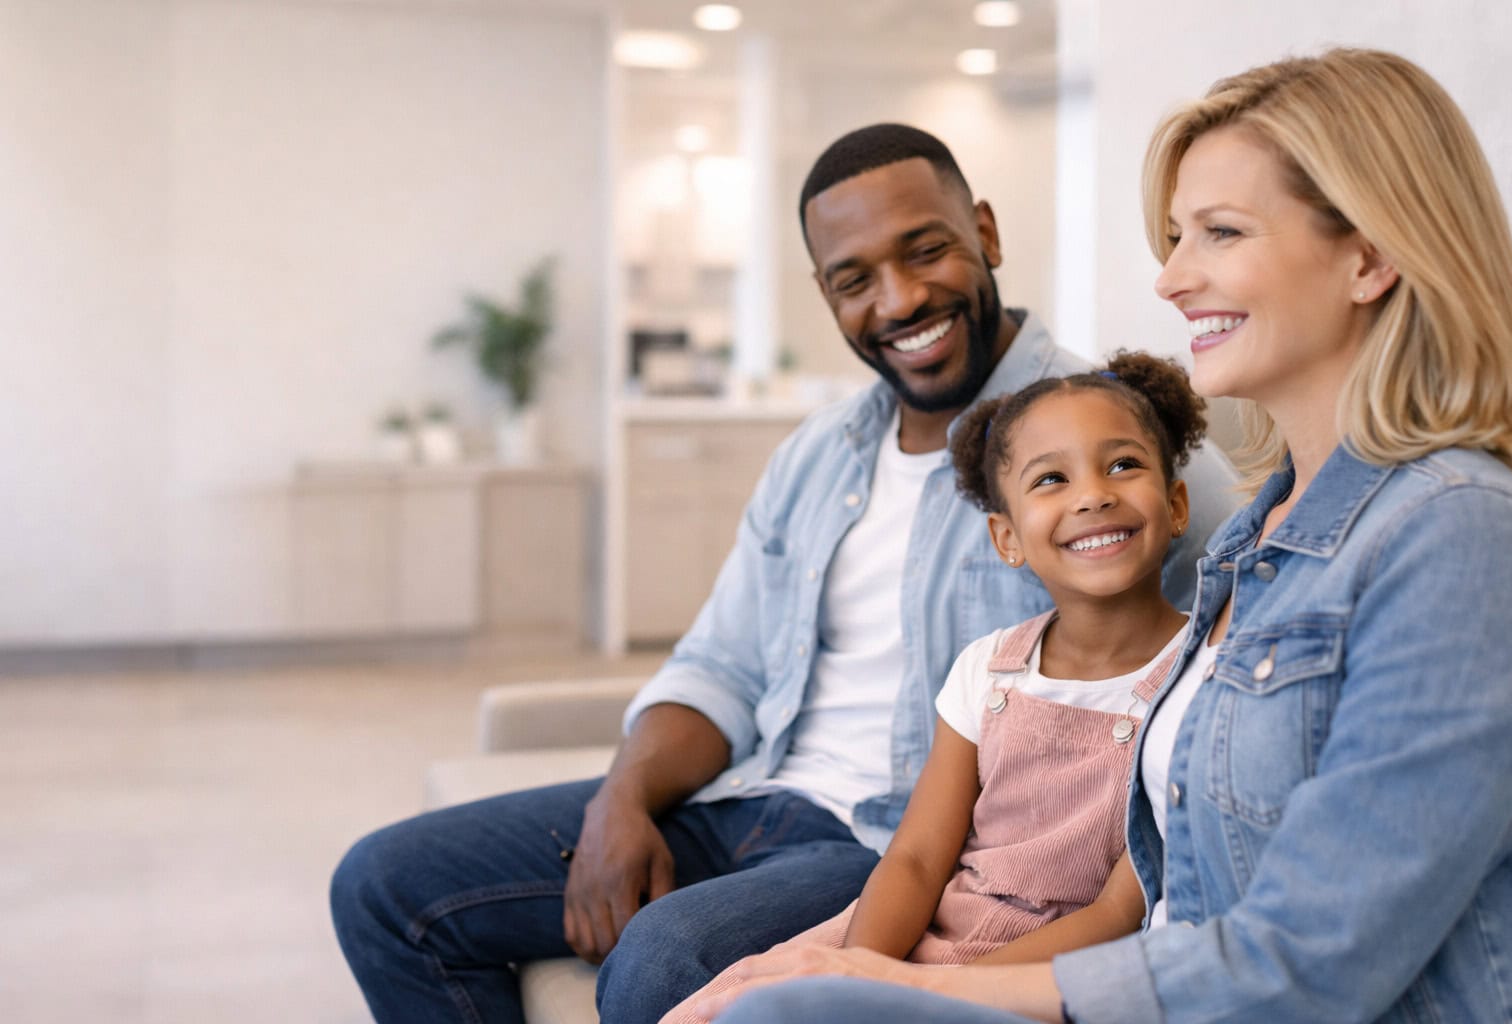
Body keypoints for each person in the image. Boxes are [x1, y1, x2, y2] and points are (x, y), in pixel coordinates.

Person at [694, 48, 1512, 1024]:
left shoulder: (1460, 536)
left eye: (1219, 232)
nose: (1173, 277)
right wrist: (855, 958)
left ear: (1371, 255)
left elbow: (1305, 962)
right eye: (1176, 236)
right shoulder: (1259, 540)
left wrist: (912, 984)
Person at [329, 124, 1240, 1024]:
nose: (899, 299)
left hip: (880, 845)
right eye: (855, 280)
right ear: (826, 295)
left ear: (987, 235)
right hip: (747, 796)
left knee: (663, 964)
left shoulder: (1122, 452)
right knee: (384, 888)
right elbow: (722, 665)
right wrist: (623, 797)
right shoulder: (817, 454)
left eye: (927, 251)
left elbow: (1210, 689)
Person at [663, 352, 1206, 1024]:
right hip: (924, 943)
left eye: (1123, 464)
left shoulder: (1203, 677)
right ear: (1006, 538)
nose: (1092, 494)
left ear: (1176, 505)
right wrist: (859, 977)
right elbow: (918, 859)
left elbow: (1120, 911)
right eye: (1051, 479)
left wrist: (928, 997)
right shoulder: (988, 669)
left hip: (1048, 976)